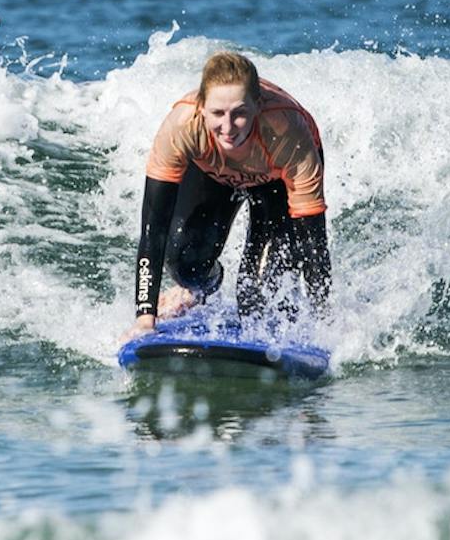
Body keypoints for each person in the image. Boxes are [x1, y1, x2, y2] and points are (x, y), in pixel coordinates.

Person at [126, 50, 331, 338]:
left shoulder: (287, 131)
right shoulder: (181, 127)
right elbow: (153, 229)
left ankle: (288, 308)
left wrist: (324, 319)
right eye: (217, 113)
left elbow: (314, 240)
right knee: (185, 265)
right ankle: (200, 290)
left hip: (276, 182)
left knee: (257, 299)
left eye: (239, 114)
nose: (227, 127)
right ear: (201, 107)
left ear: (257, 106)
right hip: (211, 173)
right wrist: (145, 317)